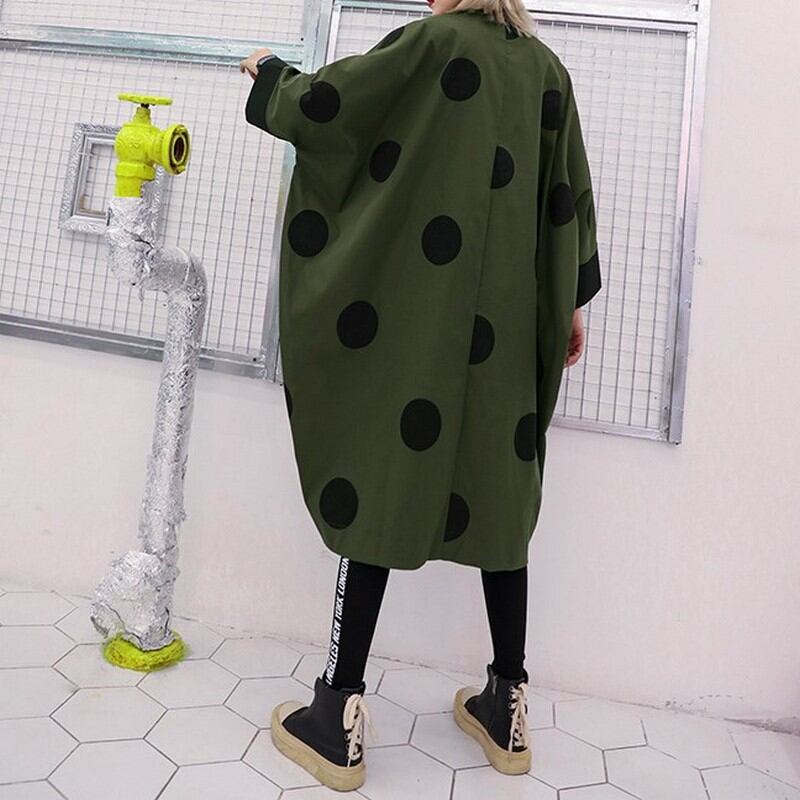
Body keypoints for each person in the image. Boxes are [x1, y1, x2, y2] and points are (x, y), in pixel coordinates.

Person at [240, 0, 601, 789]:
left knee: (383, 474)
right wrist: (569, 307)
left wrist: (272, 78)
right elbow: (567, 199)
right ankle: (507, 706)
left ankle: (336, 715)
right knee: (502, 499)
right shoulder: (545, 71)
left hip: (421, 324)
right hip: (507, 329)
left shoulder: (432, 42)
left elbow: (338, 110)